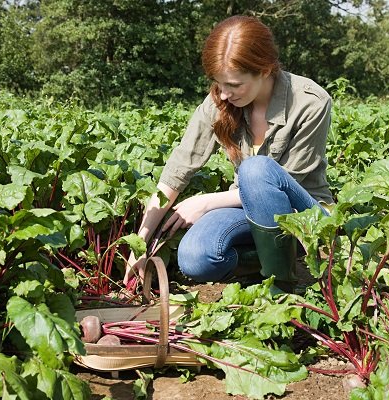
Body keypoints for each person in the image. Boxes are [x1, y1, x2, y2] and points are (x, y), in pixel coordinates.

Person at [123, 15, 333, 294]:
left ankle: (283, 286)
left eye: (233, 85)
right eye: (219, 84)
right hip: (247, 209)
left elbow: (282, 183)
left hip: (304, 214)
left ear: (265, 69)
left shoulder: (310, 102)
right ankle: (280, 257)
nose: (223, 94)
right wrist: (141, 240)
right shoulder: (219, 102)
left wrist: (206, 202)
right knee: (195, 257)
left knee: (256, 169)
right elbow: (177, 171)